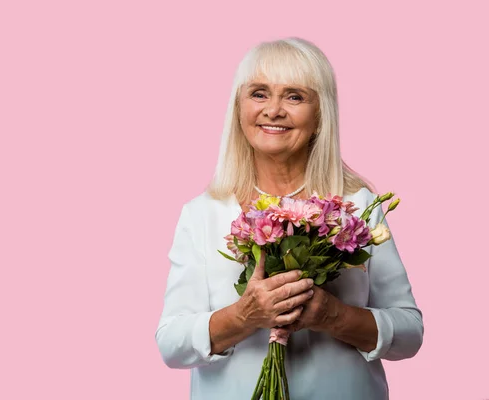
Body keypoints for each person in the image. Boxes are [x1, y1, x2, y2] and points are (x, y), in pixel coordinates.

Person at [155, 37, 423, 399]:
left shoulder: (356, 206)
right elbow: (171, 343)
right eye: (259, 94)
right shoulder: (203, 214)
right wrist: (244, 315)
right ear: (238, 109)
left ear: (319, 117)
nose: (274, 110)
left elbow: (409, 333)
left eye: (294, 96)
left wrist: (332, 316)